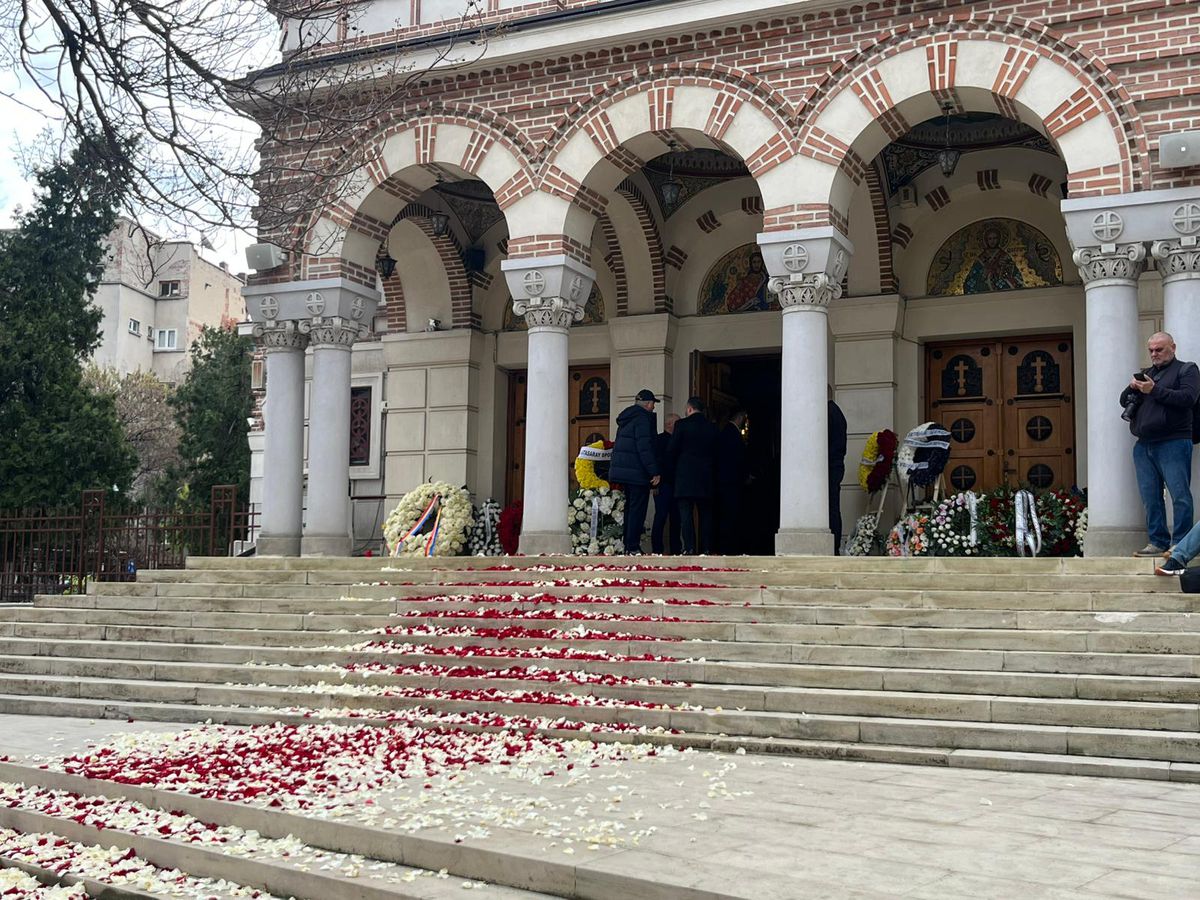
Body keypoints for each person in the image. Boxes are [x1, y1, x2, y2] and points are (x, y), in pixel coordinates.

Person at [1120, 332, 1200, 557]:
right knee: (1150, 497)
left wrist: (1154, 390)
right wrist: (1132, 387)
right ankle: (1157, 542)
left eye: (1159, 349)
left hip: (1174, 441)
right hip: (1144, 444)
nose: (1154, 354)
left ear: (1173, 347)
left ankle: (1181, 544)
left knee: (1179, 495)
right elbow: (1123, 401)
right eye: (1151, 350)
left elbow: (1188, 398)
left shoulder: (1187, 369)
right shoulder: (1147, 374)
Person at [609, 388, 660, 554]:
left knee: (630, 510)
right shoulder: (643, 418)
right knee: (637, 510)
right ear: (648, 404)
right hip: (637, 473)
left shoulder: (628, 418)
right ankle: (632, 547)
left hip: (626, 472)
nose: (653, 407)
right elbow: (644, 447)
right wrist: (654, 471)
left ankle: (628, 545)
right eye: (653, 404)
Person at [669, 396, 718, 554]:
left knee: (686, 515)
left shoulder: (681, 425)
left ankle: (689, 547)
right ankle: (706, 548)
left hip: (685, 477)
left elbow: (672, 450)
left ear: (689, 409)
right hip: (706, 477)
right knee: (706, 515)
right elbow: (718, 453)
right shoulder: (712, 427)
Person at [715, 409, 749, 554]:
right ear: (740, 417)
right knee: (730, 516)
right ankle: (729, 548)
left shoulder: (726, 431)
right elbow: (738, 459)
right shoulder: (731, 433)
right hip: (730, 483)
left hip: (726, 482)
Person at [651, 413, 681, 554]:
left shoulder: (679, 440)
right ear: (669, 424)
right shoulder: (658, 440)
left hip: (677, 485)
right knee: (661, 517)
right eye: (677, 423)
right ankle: (657, 549)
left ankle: (676, 549)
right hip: (663, 486)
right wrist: (655, 485)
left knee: (676, 519)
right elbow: (654, 463)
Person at [828, 392, 848, 555]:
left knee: (831, 508)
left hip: (829, 466)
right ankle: (834, 545)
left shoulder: (829, 412)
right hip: (835, 465)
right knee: (833, 507)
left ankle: (833, 545)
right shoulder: (836, 412)